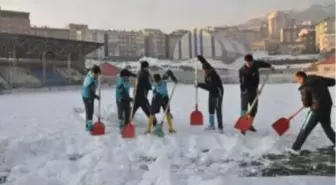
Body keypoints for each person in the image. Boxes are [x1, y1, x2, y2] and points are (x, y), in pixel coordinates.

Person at [290, 71, 336, 152]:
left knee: (304, 130)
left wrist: (305, 102)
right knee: (328, 129)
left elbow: (307, 104)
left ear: (301, 78)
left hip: (316, 110)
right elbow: (332, 82)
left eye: (297, 80)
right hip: (327, 107)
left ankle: (294, 149)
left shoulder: (304, 87)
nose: (297, 82)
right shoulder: (318, 79)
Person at [238, 54, 273, 134]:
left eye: (250, 62)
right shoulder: (242, 71)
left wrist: (269, 66)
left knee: (254, 109)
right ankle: (242, 126)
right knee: (244, 109)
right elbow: (243, 83)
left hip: (254, 91)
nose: (249, 64)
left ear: (252, 61)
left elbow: (262, 63)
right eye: (248, 63)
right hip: (245, 91)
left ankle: (249, 125)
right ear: (245, 62)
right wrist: (250, 90)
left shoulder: (255, 64)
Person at [196, 55, 224, 133]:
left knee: (218, 110)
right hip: (212, 92)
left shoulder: (214, 75)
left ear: (210, 69)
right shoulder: (207, 71)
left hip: (218, 93)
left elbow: (209, 87)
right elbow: (205, 62)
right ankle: (212, 125)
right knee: (210, 108)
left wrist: (200, 85)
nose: (205, 72)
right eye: (204, 70)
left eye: (206, 70)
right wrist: (200, 58)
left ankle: (220, 127)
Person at [131, 61, 157, 126]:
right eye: (147, 67)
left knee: (132, 111)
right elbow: (150, 80)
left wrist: (134, 91)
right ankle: (154, 122)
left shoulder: (141, 72)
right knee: (148, 109)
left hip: (138, 95)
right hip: (142, 96)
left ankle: (127, 122)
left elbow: (137, 82)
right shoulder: (144, 73)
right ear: (145, 67)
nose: (148, 68)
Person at [81, 65, 101, 131]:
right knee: (89, 111)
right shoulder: (90, 80)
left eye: (98, 75)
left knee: (90, 111)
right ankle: (89, 126)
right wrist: (96, 96)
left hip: (88, 96)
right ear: (93, 73)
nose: (97, 76)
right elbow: (90, 92)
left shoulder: (91, 76)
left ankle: (88, 125)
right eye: (96, 74)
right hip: (87, 96)